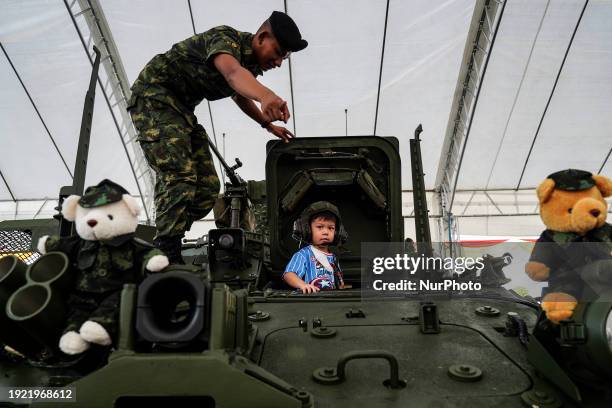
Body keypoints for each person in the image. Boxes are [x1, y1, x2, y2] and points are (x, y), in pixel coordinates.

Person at [127, 11, 308, 263]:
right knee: (179, 175)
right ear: (262, 37)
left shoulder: (251, 65)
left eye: (284, 57)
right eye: (278, 52)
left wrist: (267, 124)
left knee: (207, 189)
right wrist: (266, 96)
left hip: (181, 109)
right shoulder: (226, 39)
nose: (278, 62)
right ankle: (166, 249)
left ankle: (170, 233)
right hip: (154, 97)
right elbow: (233, 74)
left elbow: (239, 94)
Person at [283, 202, 347, 293]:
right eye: (320, 227)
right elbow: (289, 274)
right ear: (307, 230)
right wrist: (303, 285)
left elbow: (339, 281)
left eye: (331, 228)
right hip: (312, 300)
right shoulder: (303, 255)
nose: (326, 232)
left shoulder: (333, 257)